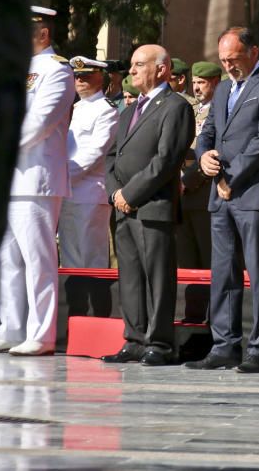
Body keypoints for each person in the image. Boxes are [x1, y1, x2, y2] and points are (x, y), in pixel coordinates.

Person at [187, 27, 259, 373]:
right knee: (223, 272)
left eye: (234, 58)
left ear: (253, 52)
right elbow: (209, 132)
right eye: (224, 60)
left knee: (258, 272)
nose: (228, 66)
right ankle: (224, 344)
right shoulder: (225, 88)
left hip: (253, 192)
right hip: (220, 194)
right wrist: (203, 158)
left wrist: (232, 176)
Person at [101, 45, 194, 366]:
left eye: (139, 65)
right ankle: (135, 338)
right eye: (132, 66)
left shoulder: (175, 107)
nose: (132, 71)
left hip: (153, 206)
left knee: (157, 277)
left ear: (162, 69)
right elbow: (112, 155)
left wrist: (131, 194)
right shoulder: (129, 110)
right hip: (123, 206)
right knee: (130, 276)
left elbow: (166, 159)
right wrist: (115, 193)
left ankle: (160, 342)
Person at [0, 8, 76, 357]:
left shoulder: (56, 70)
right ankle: (10, 326)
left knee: (37, 260)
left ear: (42, 34)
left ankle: (41, 333)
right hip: (11, 179)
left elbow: (40, 121)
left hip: (36, 180)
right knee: (8, 259)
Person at [59, 56, 120, 318]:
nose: (80, 81)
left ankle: (97, 318)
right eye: (77, 76)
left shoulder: (106, 110)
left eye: (86, 76)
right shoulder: (76, 107)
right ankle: (76, 317)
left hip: (89, 194)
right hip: (69, 192)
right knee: (72, 260)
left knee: (92, 259)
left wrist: (59, 176)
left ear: (100, 77)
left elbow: (94, 153)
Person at [177, 61, 223, 358]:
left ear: (216, 82)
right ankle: (192, 325)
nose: (197, 87)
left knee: (209, 264)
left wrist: (190, 179)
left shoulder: (219, 109)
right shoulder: (191, 110)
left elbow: (214, 150)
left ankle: (211, 328)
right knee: (188, 265)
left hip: (204, 193)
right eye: (195, 82)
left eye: (203, 82)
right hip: (183, 196)